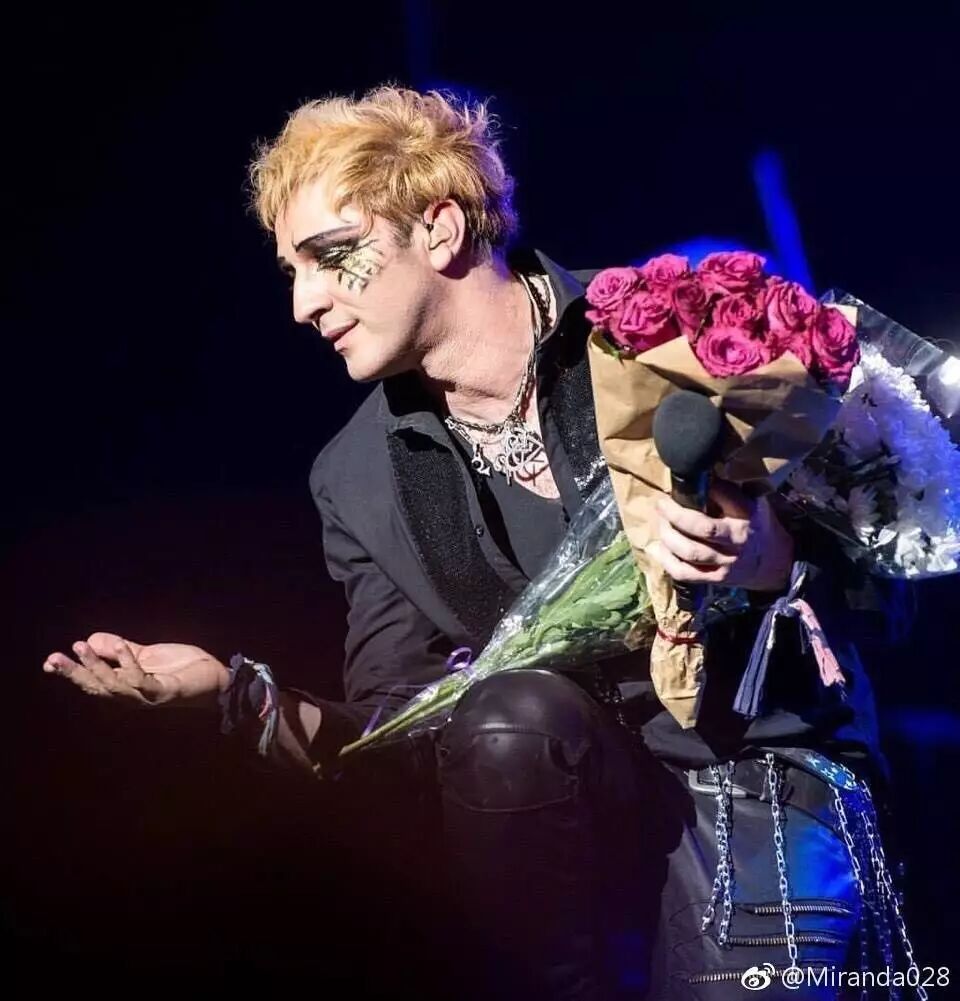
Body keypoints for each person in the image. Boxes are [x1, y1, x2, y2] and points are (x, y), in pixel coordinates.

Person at [43, 86, 911, 1000]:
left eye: (329, 256)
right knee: (506, 717)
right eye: (290, 271)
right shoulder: (359, 476)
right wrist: (235, 693)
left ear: (442, 229)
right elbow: (407, 732)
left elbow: (886, 602)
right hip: (566, 844)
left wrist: (765, 554)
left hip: (754, 783)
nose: (302, 302)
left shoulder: (659, 334)